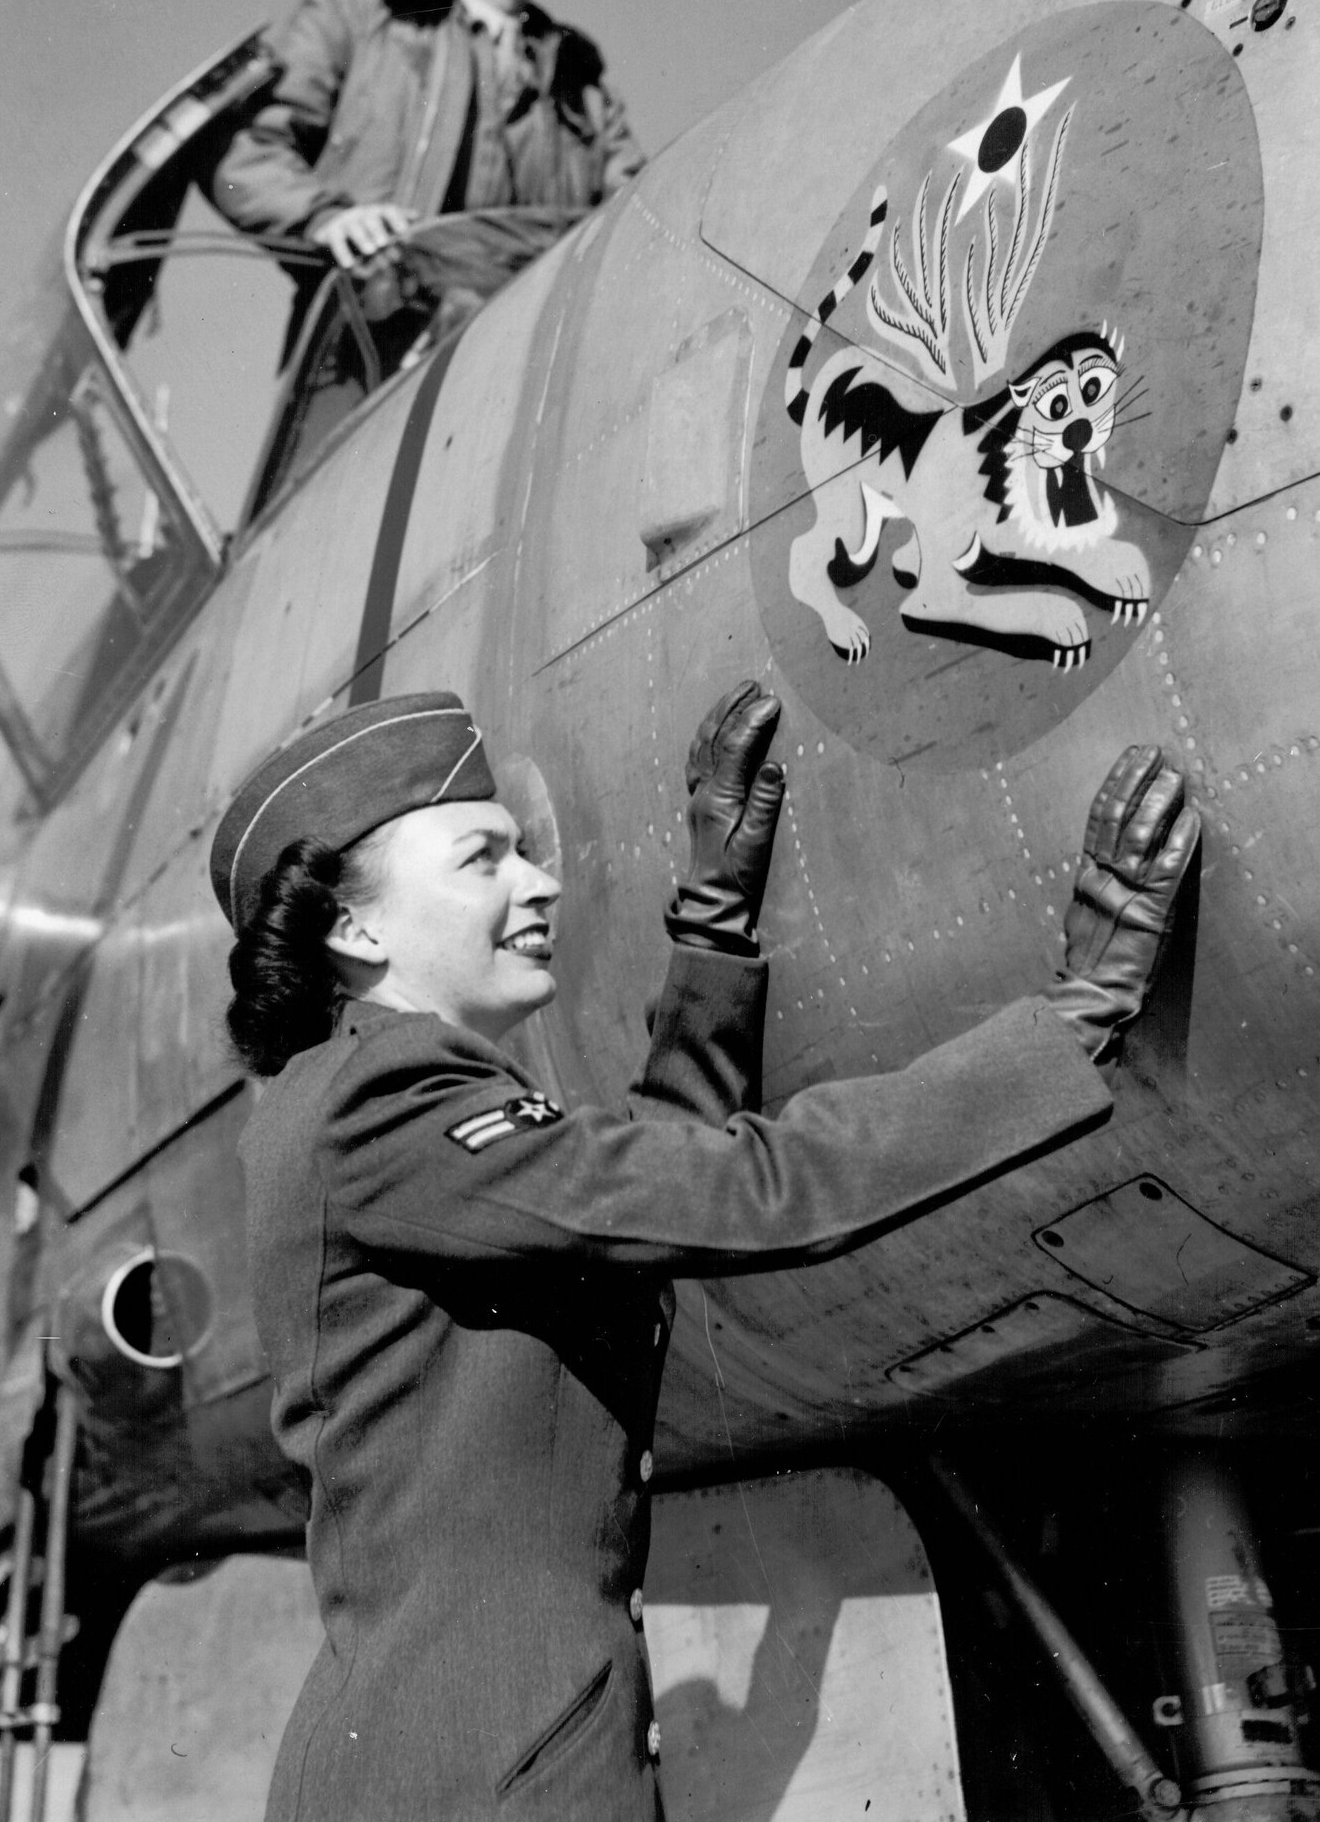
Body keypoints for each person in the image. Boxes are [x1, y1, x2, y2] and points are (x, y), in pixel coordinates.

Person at [209, 684, 1197, 1821]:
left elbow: (638, 1201)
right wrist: (1065, 1025)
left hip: (453, 1756)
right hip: (484, 1773)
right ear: (355, 925)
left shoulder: (362, 1105)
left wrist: (711, 927)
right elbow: (736, 1190)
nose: (536, 881)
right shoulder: (379, 1100)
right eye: (482, 858)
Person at [213, 0, 644, 364]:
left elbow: (636, 215)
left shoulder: (581, 84)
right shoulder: (354, 22)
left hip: (529, 355)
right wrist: (324, 217)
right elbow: (247, 153)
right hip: (370, 350)